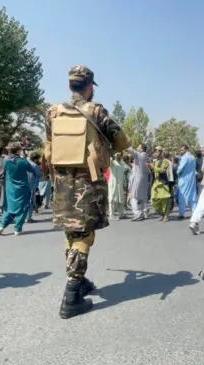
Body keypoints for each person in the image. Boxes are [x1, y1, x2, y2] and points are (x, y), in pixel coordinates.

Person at [42, 65, 130, 319]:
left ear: (70, 86)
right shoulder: (97, 110)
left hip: (62, 183)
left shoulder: (52, 112)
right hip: (87, 183)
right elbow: (122, 141)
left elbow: (48, 144)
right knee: (85, 235)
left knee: (71, 231)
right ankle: (71, 294)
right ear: (90, 86)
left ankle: (79, 280)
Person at [0, 143, 35, 236]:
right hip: (23, 188)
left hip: (10, 188)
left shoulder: (5, 161)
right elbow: (33, 170)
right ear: (18, 151)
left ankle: (2, 225)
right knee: (22, 208)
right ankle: (17, 229)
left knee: (9, 208)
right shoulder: (23, 161)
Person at [148, 147, 172, 222]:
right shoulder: (154, 161)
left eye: (157, 152)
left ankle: (165, 215)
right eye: (155, 152)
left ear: (161, 153)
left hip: (162, 183)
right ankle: (161, 213)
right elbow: (153, 171)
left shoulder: (164, 161)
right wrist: (150, 167)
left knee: (164, 200)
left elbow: (163, 171)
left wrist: (153, 167)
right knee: (154, 200)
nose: (156, 153)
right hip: (155, 183)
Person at [127, 143, 150, 221]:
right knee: (143, 197)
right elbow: (137, 166)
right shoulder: (146, 157)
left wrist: (125, 143)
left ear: (141, 149)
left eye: (138, 146)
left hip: (137, 179)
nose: (137, 147)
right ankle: (144, 213)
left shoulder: (139, 155)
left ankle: (137, 213)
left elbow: (131, 150)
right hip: (144, 180)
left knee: (133, 197)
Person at [176, 144, 197, 219]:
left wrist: (177, 172)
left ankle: (181, 214)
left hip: (184, 179)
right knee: (192, 196)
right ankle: (194, 213)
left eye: (182, 150)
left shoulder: (185, 157)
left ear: (186, 149)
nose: (181, 151)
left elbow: (180, 168)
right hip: (192, 179)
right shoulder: (193, 157)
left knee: (182, 196)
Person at [108, 152, 128, 220]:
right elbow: (109, 160)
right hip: (113, 184)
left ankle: (121, 214)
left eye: (120, 155)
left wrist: (125, 183)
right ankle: (111, 215)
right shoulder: (113, 163)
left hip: (120, 184)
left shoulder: (122, 164)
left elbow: (123, 175)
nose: (118, 156)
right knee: (112, 199)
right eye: (117, 155)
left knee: (120, 199)